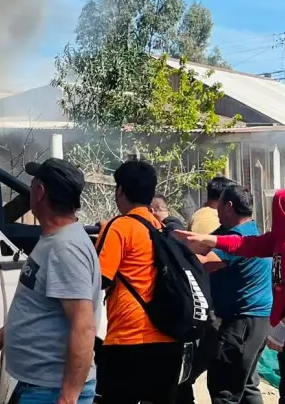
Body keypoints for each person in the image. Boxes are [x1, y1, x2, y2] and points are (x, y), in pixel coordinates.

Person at [176, 188, 285, 404]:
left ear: (281, 210)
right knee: (283, 395)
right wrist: (208, 239)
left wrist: (282, 330)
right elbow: (246, 244)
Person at [0, 158, 101, 404]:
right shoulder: (55, 240)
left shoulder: (65, 249)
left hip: (50, 391)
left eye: (33, 184)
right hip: (39, 387)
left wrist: (68, 397)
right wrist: (3, 336)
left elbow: (83, 327)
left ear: (40, 192)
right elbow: (42, 306)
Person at [95, 159, 182, 404]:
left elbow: (99, 279)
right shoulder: (161, 229)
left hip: (128, 340)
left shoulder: (119, 227)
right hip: (168, 341)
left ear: (120, 190)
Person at [177, 184, 272, 404]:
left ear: (228, 206)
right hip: (254, 320)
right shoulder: (235, 231)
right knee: (246, 386)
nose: (214, 209)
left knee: (224, 390)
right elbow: (198, 246)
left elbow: (203, 264)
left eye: (217, 204)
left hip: (242, 323)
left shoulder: (241, 237)